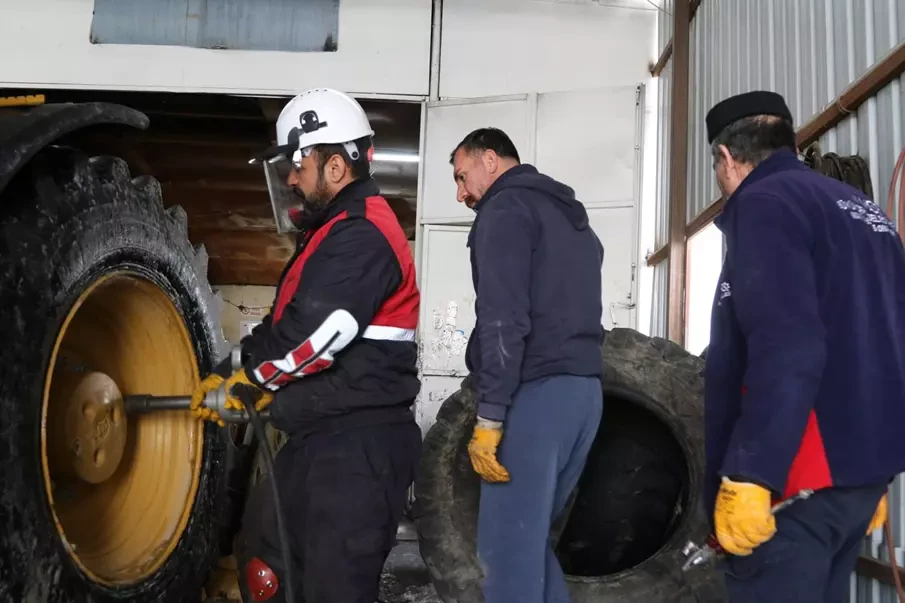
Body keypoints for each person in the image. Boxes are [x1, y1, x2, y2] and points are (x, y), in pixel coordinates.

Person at [190, 88, 422, 603]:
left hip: (356, 451)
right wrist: (233, 367)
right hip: (320, 436)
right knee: (268, 565)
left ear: (336, 166)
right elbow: (287, 324)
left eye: (298, 165)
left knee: (330, 589)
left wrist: (250, 381)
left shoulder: (362, 235)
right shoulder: (330, 232)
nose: (291, 179)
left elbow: (316, 335)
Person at [702, 90, 905, 602]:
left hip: (789, 483)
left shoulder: (765, 204)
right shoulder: (865, 211)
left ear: (726, 157)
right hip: (859, 480)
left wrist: (752, 471)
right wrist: (874, 472)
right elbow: (887, 337)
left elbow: (786, 343)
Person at [449, 127, 605, 603]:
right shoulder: (571, 217)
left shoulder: (505, 210)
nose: (461, 194)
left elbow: (503, 320)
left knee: (506, 557)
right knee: (528, 548)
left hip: (537, 396)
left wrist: (490, 416)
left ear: (490, 160)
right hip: (584, 394)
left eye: (462, 177)